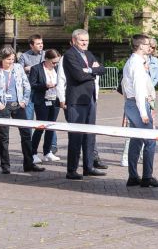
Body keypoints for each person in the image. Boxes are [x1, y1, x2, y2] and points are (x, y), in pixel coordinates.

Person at [0, 46, 43, 175]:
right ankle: (5, 165)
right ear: (2, 59)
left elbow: (26, 85)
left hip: (18, 105)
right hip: (3, 106)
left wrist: (24, 101)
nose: (11, 62)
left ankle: (29, 163)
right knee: (4, 136)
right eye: (9, 59)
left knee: (26, 134)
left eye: (13, 59)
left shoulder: (18, 68)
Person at [121, 34, 158, 187]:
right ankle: (147, 176)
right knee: (150, 140)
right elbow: (139, 89)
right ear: (140, 46)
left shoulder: (132, 61)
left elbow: (124, 84)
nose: (149, 46)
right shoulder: (137, 64)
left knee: (136, 140)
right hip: (138, 104)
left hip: (132, 104)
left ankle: (133, 176)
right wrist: (144, 113)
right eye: (146, 44)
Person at [63, 28, 105, 180]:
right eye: (82, 40)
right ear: (74, 40)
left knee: (89, 135)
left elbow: (102, 69)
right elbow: (78, 76)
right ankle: (72, 170)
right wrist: (92, 71)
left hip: (90, 99)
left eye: (87, 40)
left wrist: (89, 70)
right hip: (76, 101)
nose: (85, 43)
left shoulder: (89, 54)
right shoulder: (69, 55)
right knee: (76, 136)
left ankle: (89, 167)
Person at [28, 49, 64, 162]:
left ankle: (47, 151)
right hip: (42, 101)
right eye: (53, 62)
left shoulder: (58, 69)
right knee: (40, 127)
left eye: (57, 62)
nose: (55, 64)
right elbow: (32, 84)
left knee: (51, 127)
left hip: (55, 101)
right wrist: (45, 85)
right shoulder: (36, 68)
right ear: (46, 59)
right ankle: (33, 153)